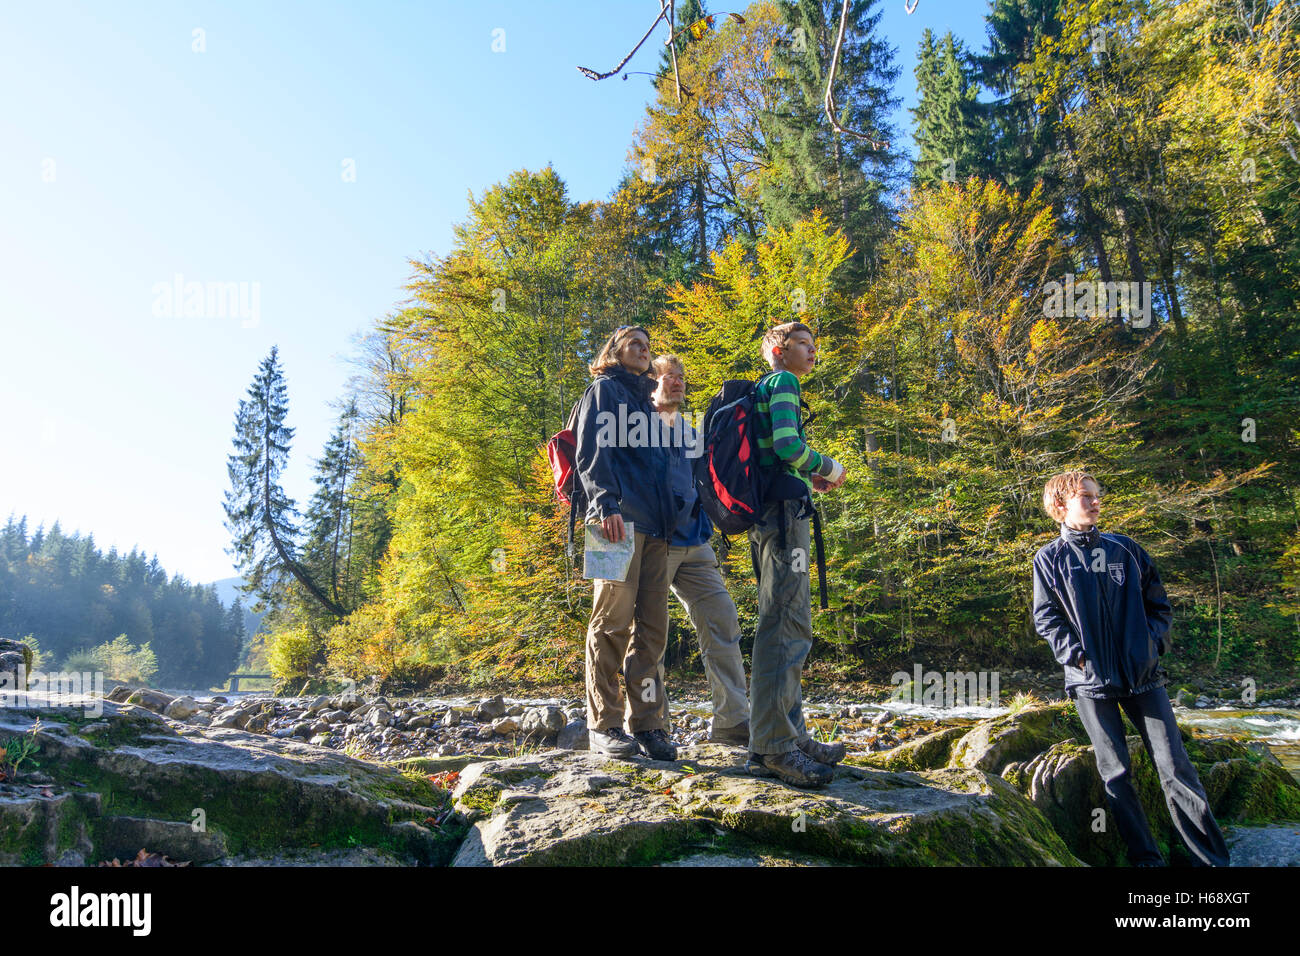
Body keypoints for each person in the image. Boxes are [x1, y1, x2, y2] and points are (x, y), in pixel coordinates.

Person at [1032, 470, 1230, 866]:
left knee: (1176, 766)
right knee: (1117, 774)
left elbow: (1160, 606)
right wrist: (1075, 654)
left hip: (1143, 678)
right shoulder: (1049, 559)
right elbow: (1046, 619)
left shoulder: (1126, 549)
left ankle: (1209, 860)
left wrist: (1150, 646)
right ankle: (1147, 860)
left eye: (1096, 495)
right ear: (1060, 506)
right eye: (1085, 496)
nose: (1095, 502)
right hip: (1091, 683)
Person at [745, 322, 847, 788]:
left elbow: (780, 453)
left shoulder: (767, 388)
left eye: (814, 346)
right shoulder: (783, 382)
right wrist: (830, 468)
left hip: (775, 513)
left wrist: (810, 477)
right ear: (778, 350)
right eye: (805, 345)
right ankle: (772, 748)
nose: (813, 353)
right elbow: (788, 444)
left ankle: (791, 734)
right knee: (785, 623)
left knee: (789, 621)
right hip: (784, 518)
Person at [575, 325, 679, 761]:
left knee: (653, 631)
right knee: (610, 623)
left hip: (657, 529)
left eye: (647, 346)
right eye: (634, 343)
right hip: (612, 522)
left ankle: (649, 725)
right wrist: (604, 505)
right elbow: (591, 451)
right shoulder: (603, 389)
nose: (643, 350)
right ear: (614, 350)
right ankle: (605, 725)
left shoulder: (647, 400)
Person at [639, 354, 751, 745]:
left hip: (696, 543)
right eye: (668, 376)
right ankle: (652, 726)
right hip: (655, 542)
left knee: (722, 622)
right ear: (650, 383)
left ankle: (732, 722)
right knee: (650, 636)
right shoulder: (637, 427)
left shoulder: (689, 431)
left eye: (681, 376)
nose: (678, 382)